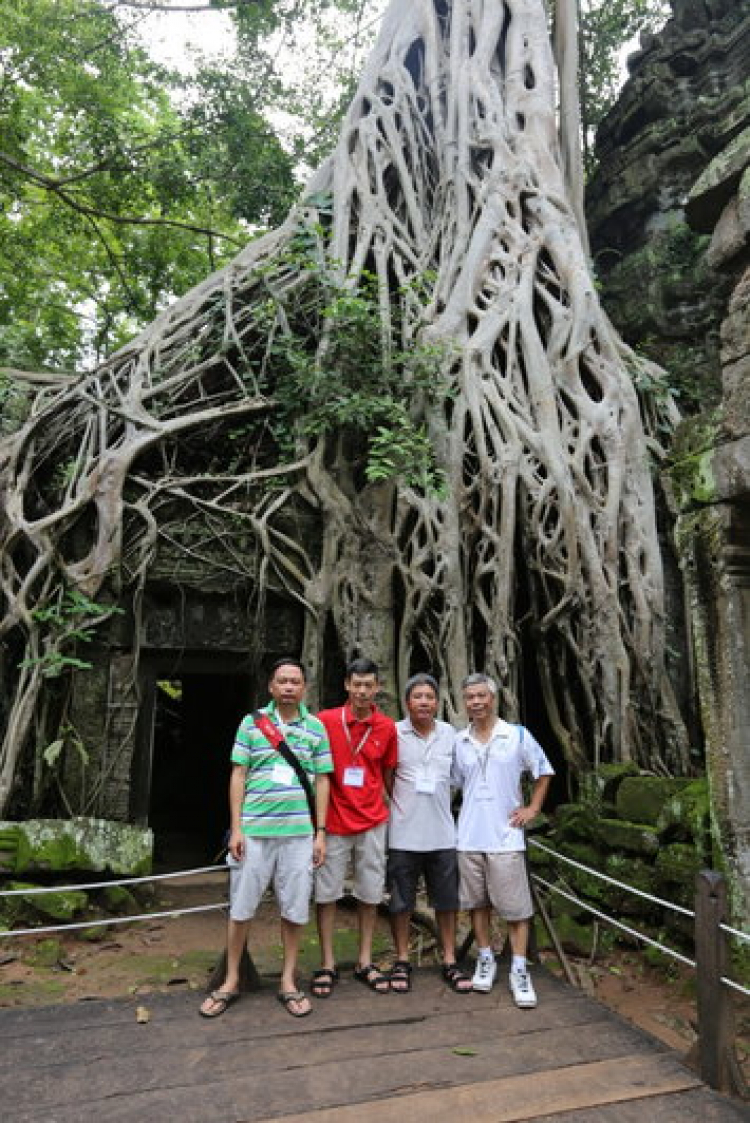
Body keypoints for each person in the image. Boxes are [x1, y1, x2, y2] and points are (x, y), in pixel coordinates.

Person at [199, 658, 332, 1019]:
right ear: (271, 687)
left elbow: (322, 780)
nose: (289, 687)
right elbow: (238, 774)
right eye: (282, 681)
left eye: (295, 681)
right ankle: (230, 979)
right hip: (255, 833)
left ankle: (288, 980)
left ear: (304, 688)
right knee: (241, 907)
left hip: (299, 835)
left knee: (295, 908)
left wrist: (321, 833)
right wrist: (236, 828)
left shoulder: (316, 728)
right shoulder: (251, 724)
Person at [452, 673, 553, 1007]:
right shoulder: (459, 741)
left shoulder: (517, 736)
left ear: (493, 698)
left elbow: (543, 772)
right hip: (468, 837)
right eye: (470, 697)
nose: (476, 702)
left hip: (506, 837)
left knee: (515, 909)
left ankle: (519, 969)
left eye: (482, 696)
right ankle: (485, 958)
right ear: (464, 702)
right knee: (476, 904)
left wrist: (533, 808)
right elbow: (451, 783)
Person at [312, 657, 397, 997]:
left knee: (370, 891)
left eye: (369, 685)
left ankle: (364, 960)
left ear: (377, 687)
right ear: (347, 685)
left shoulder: (386, 727)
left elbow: (387, 775)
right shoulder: (325, 721)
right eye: (356, 684)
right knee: (327, 893)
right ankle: (327, 962)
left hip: (373, 821)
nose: (362, 691)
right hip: (333, 822)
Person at [387, 673, 472, 994]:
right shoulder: (394, 733)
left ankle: (450, 960)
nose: (423, 702)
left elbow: (459, 777)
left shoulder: (451, 734)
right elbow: (386, 776)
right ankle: (402, 959)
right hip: (402, 834)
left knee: (447, 901)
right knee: (400, 901)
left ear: (438, 702)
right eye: (417, 696)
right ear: (407, 702)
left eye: (429, 697)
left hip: (442, 833)